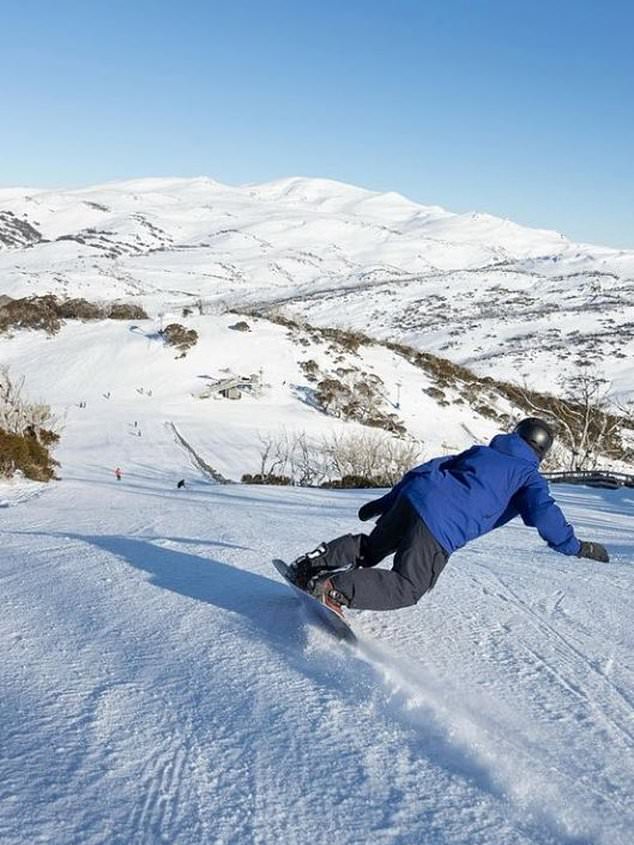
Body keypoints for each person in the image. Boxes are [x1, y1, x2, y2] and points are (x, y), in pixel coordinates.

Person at [290, 418, 610, 615]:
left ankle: (308, 567)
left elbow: (429, 467)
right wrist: (577, 547)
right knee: (408, 586)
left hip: (415, 497)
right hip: (441, 526)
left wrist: (389, 500)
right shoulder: (528, 475)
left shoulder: (483, 452)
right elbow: (544, 513)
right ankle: (334, 588)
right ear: (542, 451)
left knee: (370, 548)